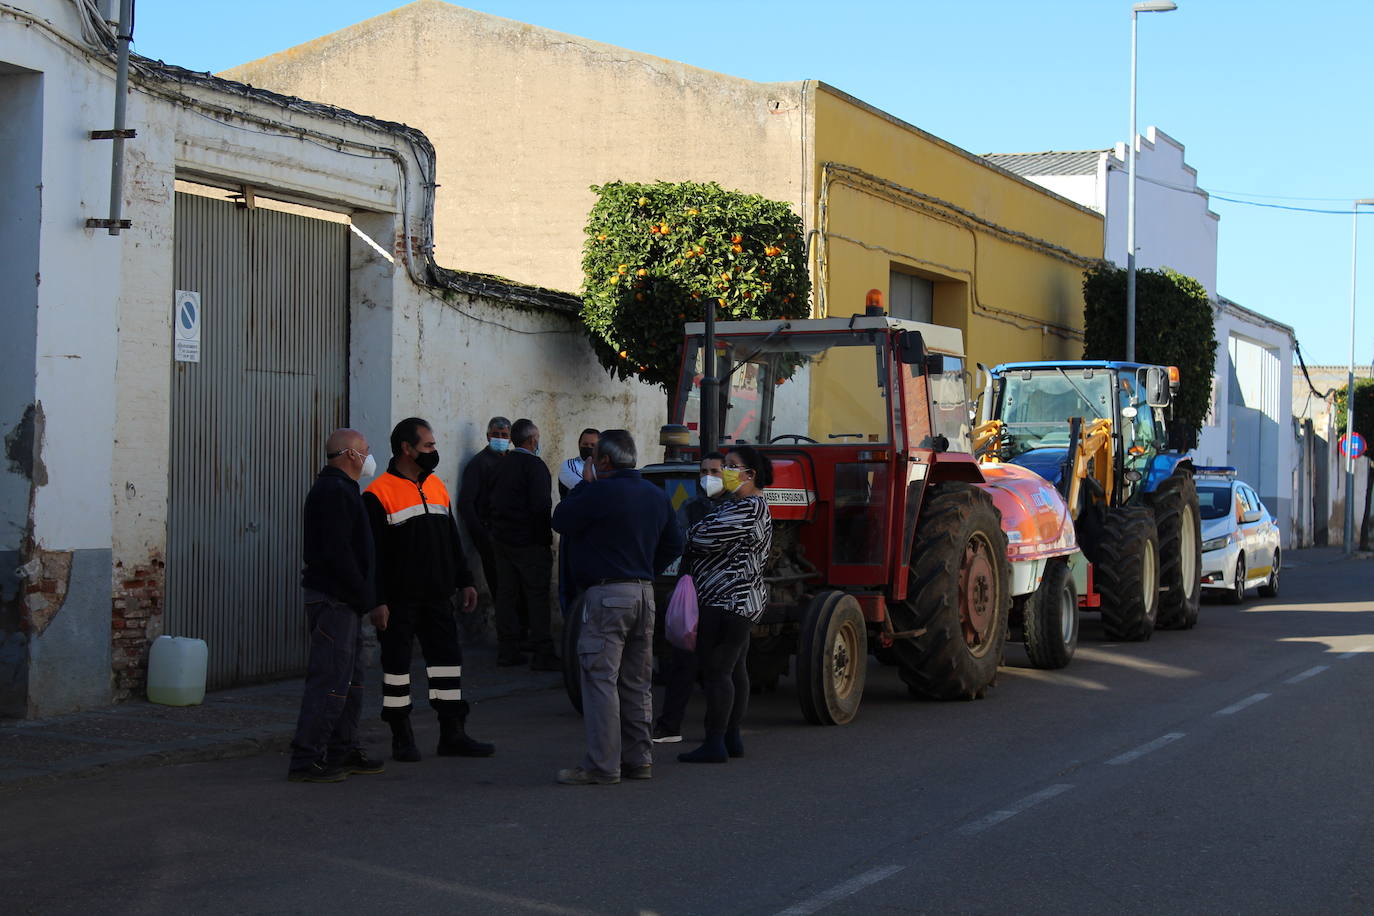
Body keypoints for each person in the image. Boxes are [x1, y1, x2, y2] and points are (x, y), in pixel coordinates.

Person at [551, 429, 683, 785]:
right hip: (644, 593)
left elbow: (560, 519)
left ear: (603, 461)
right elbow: (675, 543)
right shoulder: (655, 496)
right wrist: (646, 569)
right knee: (637, 682)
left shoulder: (597, 492)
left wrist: (583, 484)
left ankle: (602, 765)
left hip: (607, 595)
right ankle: (639, 760)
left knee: (599, 680)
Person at [364, 417, 495, 762]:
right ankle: (401, 736)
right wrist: (377, 601)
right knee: (396, 669)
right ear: (407, 449)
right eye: (429, 446)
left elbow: (451, 540)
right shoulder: (378, 494)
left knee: (447, 665)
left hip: (438, 596)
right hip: (398, 600)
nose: (434, 451)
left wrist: (465, 580)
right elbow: (371, 556)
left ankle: (453, 733)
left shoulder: (436, 485)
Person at [288, 428, 386, 783]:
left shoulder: (345, 490)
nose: (370, 457)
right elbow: (339, 554)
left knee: (350, 681)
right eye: (366, 451)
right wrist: (367, 599)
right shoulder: (333, 492)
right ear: (350, 455)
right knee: (330, 680)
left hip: (346, 600)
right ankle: (307, 758)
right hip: (334, 599)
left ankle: (343, 748)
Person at [678, 445, 773, 764]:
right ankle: (731, 737)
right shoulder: (745, 505)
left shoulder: (747, 508)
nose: (725, 472)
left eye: (731, 466)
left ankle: (714, 741)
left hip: (727, 600)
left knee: (717, 671)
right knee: (735, 671)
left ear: (750, 474)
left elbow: (700, 538)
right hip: (738, 601)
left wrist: (693, 532)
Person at [652, 452, 725, 744]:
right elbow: (678, 540)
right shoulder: (691, 506)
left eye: (715, 471)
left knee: (720, 667)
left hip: (722, 595)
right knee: (683, 661)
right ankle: (669, 726)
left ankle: (719, 731)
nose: (709, 476)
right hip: (694, 594)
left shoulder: (736, 507)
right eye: (704, 471)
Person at [488, 418, 560, 670]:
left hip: (502, 539)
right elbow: (541, 506)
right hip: (529, 542)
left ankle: (507, 649)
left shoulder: (500, 464)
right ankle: (543, 651)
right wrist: (544, 539)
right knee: (537, 596)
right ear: (531, 440)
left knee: (506, 595)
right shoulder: (535, 467)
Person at [458, 416, 513, 642]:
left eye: (504, 435)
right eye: (496, 435)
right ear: (488, 436)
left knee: (513, 589)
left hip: (512, 536)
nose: (500, 439)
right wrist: (482, 535)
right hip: (491, 536)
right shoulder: (479, 464)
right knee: (500, 589)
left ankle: (517, 637)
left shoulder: (511, 461)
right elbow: (466, 503)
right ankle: (507, 642)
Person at [557, 428, 600, 499]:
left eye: (593, 445)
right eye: (585, 444)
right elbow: (586, 489)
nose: (589, 447)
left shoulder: (602, 466)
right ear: (579, 445)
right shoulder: (568, 465)